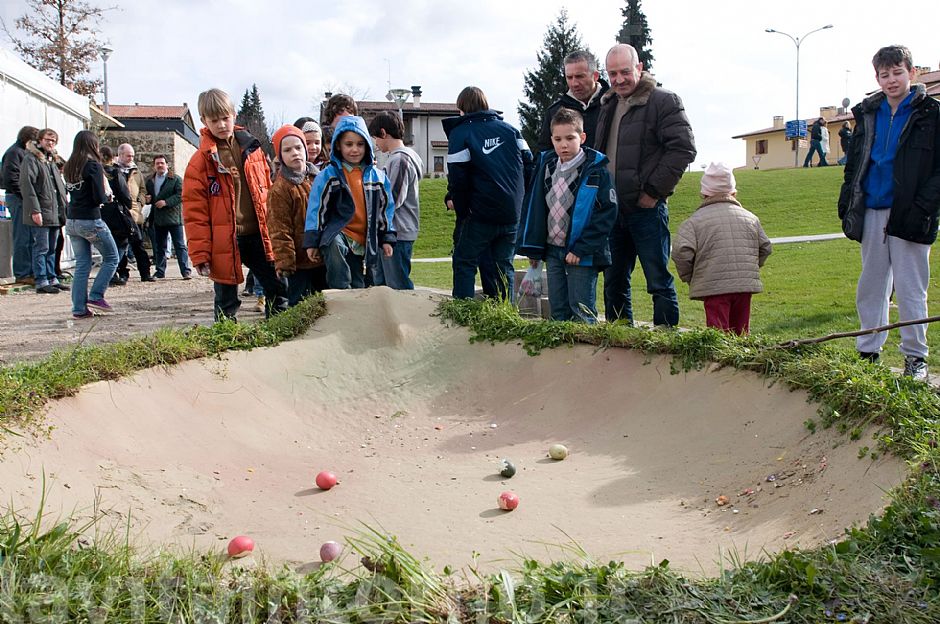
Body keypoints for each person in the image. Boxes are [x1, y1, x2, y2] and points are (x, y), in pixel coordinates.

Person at [838, 45, 940, 381]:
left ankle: (915, 358)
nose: (892, 80)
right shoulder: (868, 113)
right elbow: (855, 161)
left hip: (911, 212)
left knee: (911, 288)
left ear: (912, 73)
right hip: (872, 210)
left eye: (898, 72)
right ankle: (868, 350)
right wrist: (847, 199)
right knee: (872, 284)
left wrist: (925, 206)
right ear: (877, 78)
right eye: (885, 74)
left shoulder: (931, 114)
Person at [594, 43, 696, 327]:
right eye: (612, 74)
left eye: (625, 72)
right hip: (612, 211)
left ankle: (665, 342)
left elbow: (683, 149)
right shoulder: (608, 104)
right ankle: (619, 340)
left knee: (657, 280)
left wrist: (652, 192)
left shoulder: (664, 101)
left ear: (639, 68)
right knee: (613, 282)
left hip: (646, 210)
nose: (618, 79)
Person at [182, 87, 287, 321]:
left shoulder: (254, 149)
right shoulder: (200, 162)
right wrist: (199, 253)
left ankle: (280, 334)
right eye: (214, 120)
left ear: (234, 115)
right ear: (204, 121)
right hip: (224, 237)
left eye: (225, 118)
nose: (221, 124)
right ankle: (227, 342)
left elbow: (267, 192)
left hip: (258, 233)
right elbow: (194, 212)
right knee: (226, 298)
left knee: (278, 287)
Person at [517, 108, 617, 322]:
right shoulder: (546, 166)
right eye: (558, 139)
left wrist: (582, 248)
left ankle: (584, 355)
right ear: (551, 139)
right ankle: (561, 355)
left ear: (582, 137)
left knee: (581, 310)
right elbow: (534, 208)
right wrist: (534, 247)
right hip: (553, 250)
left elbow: (606, 215)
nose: (563, 144)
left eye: (570, 138)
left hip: (581, 253)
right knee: (557, 310)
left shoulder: (596, 170)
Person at [445, 86, 533, 300]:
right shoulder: (511, 130)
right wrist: (521, 201)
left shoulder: (460, 133)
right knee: (504, 266)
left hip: (479, 215)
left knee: (465, 261)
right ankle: (505, 317)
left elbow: (459, 179)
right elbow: (530, 165)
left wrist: (463, 211)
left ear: (461, 109)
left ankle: (463, 313)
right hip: (511, 214)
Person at [672, 162, 772, 335]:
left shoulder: (694, 222)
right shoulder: (750, 218)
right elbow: (765, 247)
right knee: (741, 333)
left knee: (718, 335)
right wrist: (750, 266)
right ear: (733, 192)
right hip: (744, 285)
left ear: (703, 193)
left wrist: (691, 277)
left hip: (713, 286)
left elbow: (681, 252)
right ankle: (742, 359)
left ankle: (719, 362)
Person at [302, 115, 395, 289]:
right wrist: (312, 241)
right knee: (334, 247)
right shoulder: (329, 176)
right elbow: (316, 210)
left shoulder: (378, 178)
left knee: (358, 280)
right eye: (349, 144)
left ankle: (355, 305)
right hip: (338, 232)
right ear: (338, 145)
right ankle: (339, 290)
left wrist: (387, 238)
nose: (355, 150)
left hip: (363, 238)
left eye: (360, 144)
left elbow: (385, 210)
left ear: (367, 145)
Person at [62, 130, 119, 318]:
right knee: (112, 257)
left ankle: (79, 309)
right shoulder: (92, 165)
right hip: (90, 219)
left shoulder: (70, 166)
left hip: (72, 221)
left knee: (82, 265)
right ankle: (96, 295)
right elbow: (97, 196)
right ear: (92, 145)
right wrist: (107, 197)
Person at [267, 125, 325, 305]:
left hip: (322, 257)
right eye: (287, 150)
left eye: (298, 147)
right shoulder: (280, 189)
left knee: (324, 303)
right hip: (298, 262)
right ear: (280, 155)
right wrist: (285, 262)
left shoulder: (319, 178)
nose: (295, 153)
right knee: (299, 304)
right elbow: (279, 228)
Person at [368, 111, 423, 290]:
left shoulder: (400, 159)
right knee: (384, 287)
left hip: (397, 232)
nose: (376, 143)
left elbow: (393, 199)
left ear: (384, 133)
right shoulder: (398, 158)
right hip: (392, 231)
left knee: (398, 287)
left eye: (376, 137)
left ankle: (408, 318)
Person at [20, 128, 69, 294]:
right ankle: (41, 280)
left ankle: (52, 277)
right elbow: (28, 185)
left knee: (52, 247)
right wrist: (35, 210)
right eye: (48, 139)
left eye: (53, 140)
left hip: (54, 211)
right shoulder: (31, 159)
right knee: (41, 247)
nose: (50, 143)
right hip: (42, 210)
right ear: (40, 140)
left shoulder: (51, 161)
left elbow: (59, 186)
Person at [536, 50, 609, 153]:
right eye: (569, 77)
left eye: (580, 76)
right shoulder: (554, 112)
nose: (574, 83)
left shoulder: (613, 104)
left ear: (595, 76)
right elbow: (543, 155)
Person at [102, 147, 155, 284]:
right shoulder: (112, 171)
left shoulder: (136, 171)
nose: (131, 158)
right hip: (117, 212)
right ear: (119, 155)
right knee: (120, 242)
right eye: (128, 156)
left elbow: (142, 190)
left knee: (137, 243)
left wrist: (140, 202)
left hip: (134, 211)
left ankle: (145, 273)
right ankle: (121, 273)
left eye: (132, 156)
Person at [1, 126, 40, 285]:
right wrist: (27, 197)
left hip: (24, 198)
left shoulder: (22, 152)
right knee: (22, 236)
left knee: (30, 237)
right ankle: (22, 273)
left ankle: (28, 271)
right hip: (18, 199)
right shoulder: (15, 153)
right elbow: (12, 179)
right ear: (28, 140)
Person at [145, 154, 191, 279]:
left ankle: (185, 270)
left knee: (179, 245)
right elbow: (148, 195)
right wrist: (147, 199)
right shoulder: (150, 180)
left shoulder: (175, 179)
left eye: (162, 163)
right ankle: (160, 271)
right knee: (160, 246)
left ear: (167, 165)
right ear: (154, 166)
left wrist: (166, 202)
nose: (160, 165)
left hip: (173, 217)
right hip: (158, 218)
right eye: (157, 163)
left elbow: (181, 194)